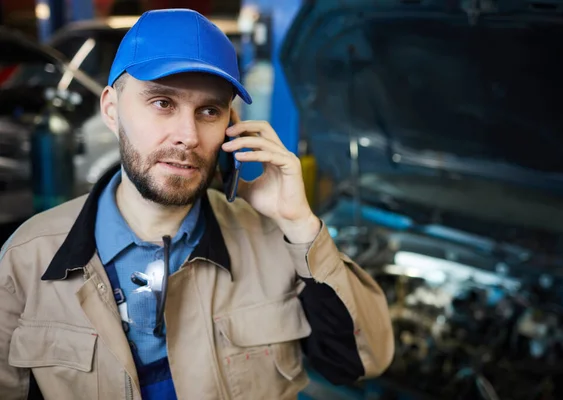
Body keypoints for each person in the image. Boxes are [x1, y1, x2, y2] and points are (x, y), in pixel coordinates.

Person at [0, 8, 394, 400]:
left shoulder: (275, 243)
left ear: (231, 125)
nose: (187, 135)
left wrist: (299, 223)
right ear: (111, 110)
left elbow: (362, 362)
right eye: (162, 103)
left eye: (208, 111)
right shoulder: (28, 258)